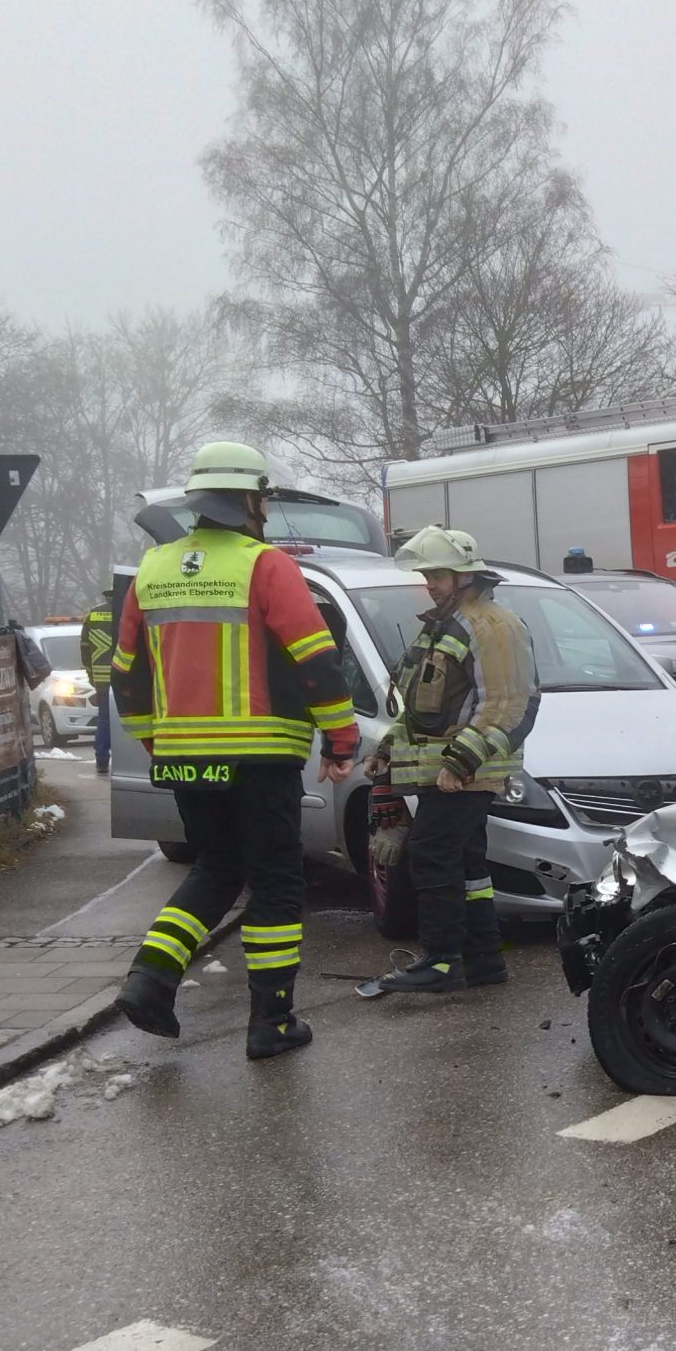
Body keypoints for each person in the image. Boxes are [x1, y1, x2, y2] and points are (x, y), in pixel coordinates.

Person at [110, 442, 359, 1059]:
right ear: (251, 500)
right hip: (261, 757)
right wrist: (341, 739)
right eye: (262, 500)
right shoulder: (267, 565)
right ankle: (272, 1022)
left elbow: (126, 675)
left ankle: (149, 980)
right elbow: (316, 660)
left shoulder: (151, 569)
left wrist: (157, 741)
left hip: (184, 756)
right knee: (276, 882)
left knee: (217, 867)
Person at [363, 525, 538, 996]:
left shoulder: (493, 626)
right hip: (450, 771)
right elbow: (422, 708)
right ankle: (482, 959)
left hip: (467, 772)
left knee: (430, 853)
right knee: (466, 862)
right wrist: (387, 749)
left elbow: (506, 704)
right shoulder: (445, 624)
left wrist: (461, 761)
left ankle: (441, 960)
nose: (430, 585)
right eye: (427, 576)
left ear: (465, 576)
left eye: (437, 576)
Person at [80, 591, 116, 774]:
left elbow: (85, 649)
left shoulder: (92, 615)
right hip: (126, 676)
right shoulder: (129, 611)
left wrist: (91, 675)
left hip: (101, 679)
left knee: (104, 719)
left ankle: (102, 761)